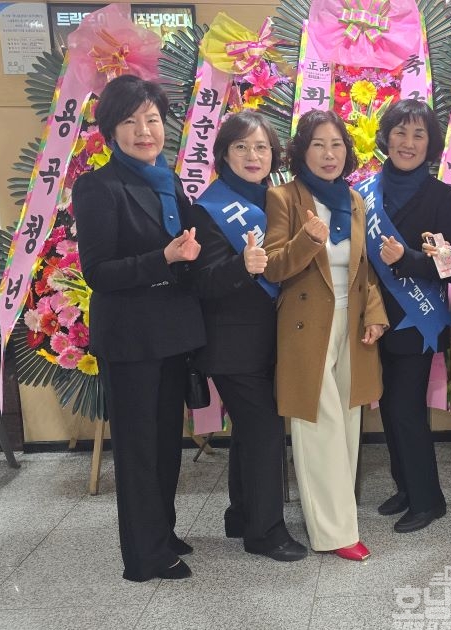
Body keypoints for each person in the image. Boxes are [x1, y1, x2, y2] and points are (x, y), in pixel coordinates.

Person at [73, 75, 204, 581]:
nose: (144, 131)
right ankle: (143, 556)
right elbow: (98, 272)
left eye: (152, 119)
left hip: (171, 330)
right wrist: (162, 258)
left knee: (167, 441)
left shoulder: (168, 181)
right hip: (131, 338)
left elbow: (184, 252)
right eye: (130, 121)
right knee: (138, 449)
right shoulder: (99, 186)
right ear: (111, 131)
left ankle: (161, 531)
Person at [263, 109, 388, 561]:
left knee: (348, 424)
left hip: (351, 323)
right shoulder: (283, 197)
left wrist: (375, 313)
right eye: (318, 144)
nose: (329, 154)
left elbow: (363, 269)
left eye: (336, 144)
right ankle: (334, 532)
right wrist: (308, 240)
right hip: (305, 326)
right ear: (302, 151)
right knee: (320, 427)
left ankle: (341, 516)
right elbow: (273, 266)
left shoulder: (352, 199)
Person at [190, 111, 307, 562]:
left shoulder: (275, 201)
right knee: (264, 432)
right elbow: (201, 283)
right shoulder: (209, 209)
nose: (252, 156)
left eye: (261, 147)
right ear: (224, 154)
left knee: (249, 433)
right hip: (231, 346)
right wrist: (242, 266)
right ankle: (266, 532)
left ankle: (241, 516)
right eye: (241, 147)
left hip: (269, 341)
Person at [360, 99, 451, 533]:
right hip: (371, 317)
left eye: (419, 134)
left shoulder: (443, 196)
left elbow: (450, 266)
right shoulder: (364, 192)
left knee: (406, 411)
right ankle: (405, 488)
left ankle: (428, 500)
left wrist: (407, 259)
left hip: (417, 319)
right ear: (387, 137)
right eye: (401, 132)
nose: (408, 142)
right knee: (389, 408)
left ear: (430, 143)